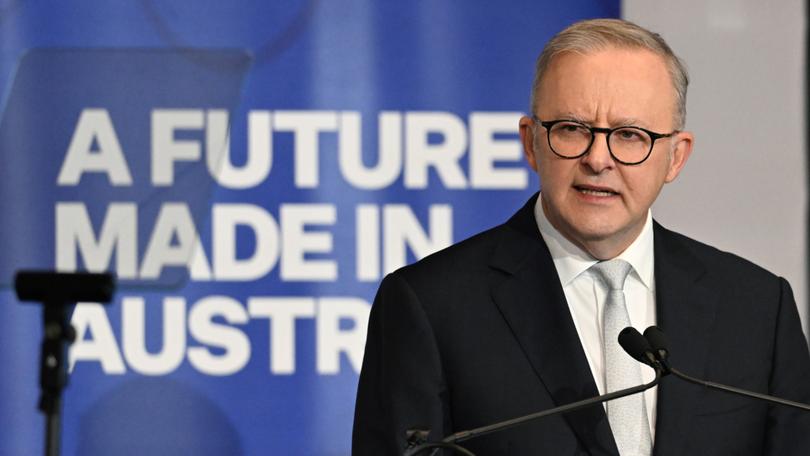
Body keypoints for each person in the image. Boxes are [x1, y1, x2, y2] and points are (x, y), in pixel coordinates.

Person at [352, 18, 810, 455]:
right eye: (572, 129)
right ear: (531, 142)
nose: (598, 159)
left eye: (630, 135)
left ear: (675, 157)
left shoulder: (755, 308)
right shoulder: (431, 306)